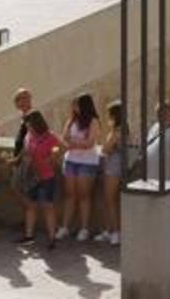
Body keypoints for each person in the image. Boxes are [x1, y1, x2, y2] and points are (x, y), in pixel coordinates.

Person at [57, 93, 101, 241]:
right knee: (69, 196)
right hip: (70, 161)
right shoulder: (71, 121)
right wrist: (76, 143)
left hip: (87, 163)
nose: (74, 108)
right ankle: (64, 227)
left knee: (84, 196)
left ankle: (84, 229)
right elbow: (63, 138)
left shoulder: (93, 121)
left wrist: (73, 143)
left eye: (76, 104)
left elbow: (89, 144)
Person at [16, 110, 61, 249]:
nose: (28, 128)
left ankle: (52, 238)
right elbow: (25, 149)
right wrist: (17, 159)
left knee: (48, 207)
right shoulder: (29, 136)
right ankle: (29, 236)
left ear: (37, 124)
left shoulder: (50, 137)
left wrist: (51, 157)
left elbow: (58, 148)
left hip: (46, 177)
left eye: (29, 125)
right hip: (32, 176)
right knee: (31, 206)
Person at [97, 100, 124, 245]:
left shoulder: (118, 130)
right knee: (109, 200)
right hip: (115, 166)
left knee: (110, 200)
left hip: (113, 167)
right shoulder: (123, 129)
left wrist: (107, 148)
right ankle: (108, 231)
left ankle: (115, 232)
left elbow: (105, 149)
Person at [145, 102, 170, 183]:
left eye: (164, 112)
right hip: (150, 179)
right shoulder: (155, 126)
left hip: (166, 181)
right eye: (158, 112)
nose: (161, 114)